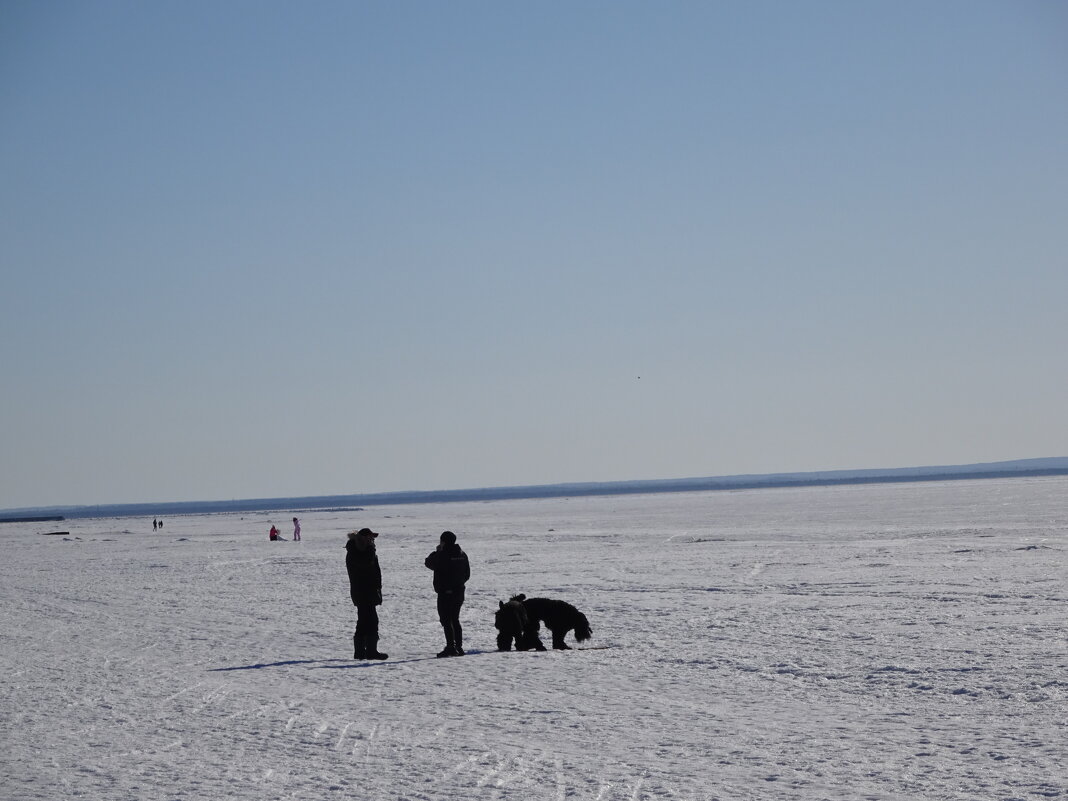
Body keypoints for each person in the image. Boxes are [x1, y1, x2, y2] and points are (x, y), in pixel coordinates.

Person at [424, 530, 470, 657]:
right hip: (459, 591)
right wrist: (458, 585)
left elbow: (429, 562)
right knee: (455, 619)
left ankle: (451, 647)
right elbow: (467, 574)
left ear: (443, 542)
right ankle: (458, 647)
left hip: (446, 593)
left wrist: (437, 551)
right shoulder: (462, 554)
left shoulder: (443, 554)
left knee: (446, 619)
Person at [346, 528, 387, 660]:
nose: (372, 541)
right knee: (371, 621)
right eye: (370, 538)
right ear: (363, 538)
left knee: (363, 621)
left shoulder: (359, 551)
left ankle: (361, 652)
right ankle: (370, 651)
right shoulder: (356, 552)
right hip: (363, 591)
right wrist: (371, 549)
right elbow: (365, 564)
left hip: (365, 591)